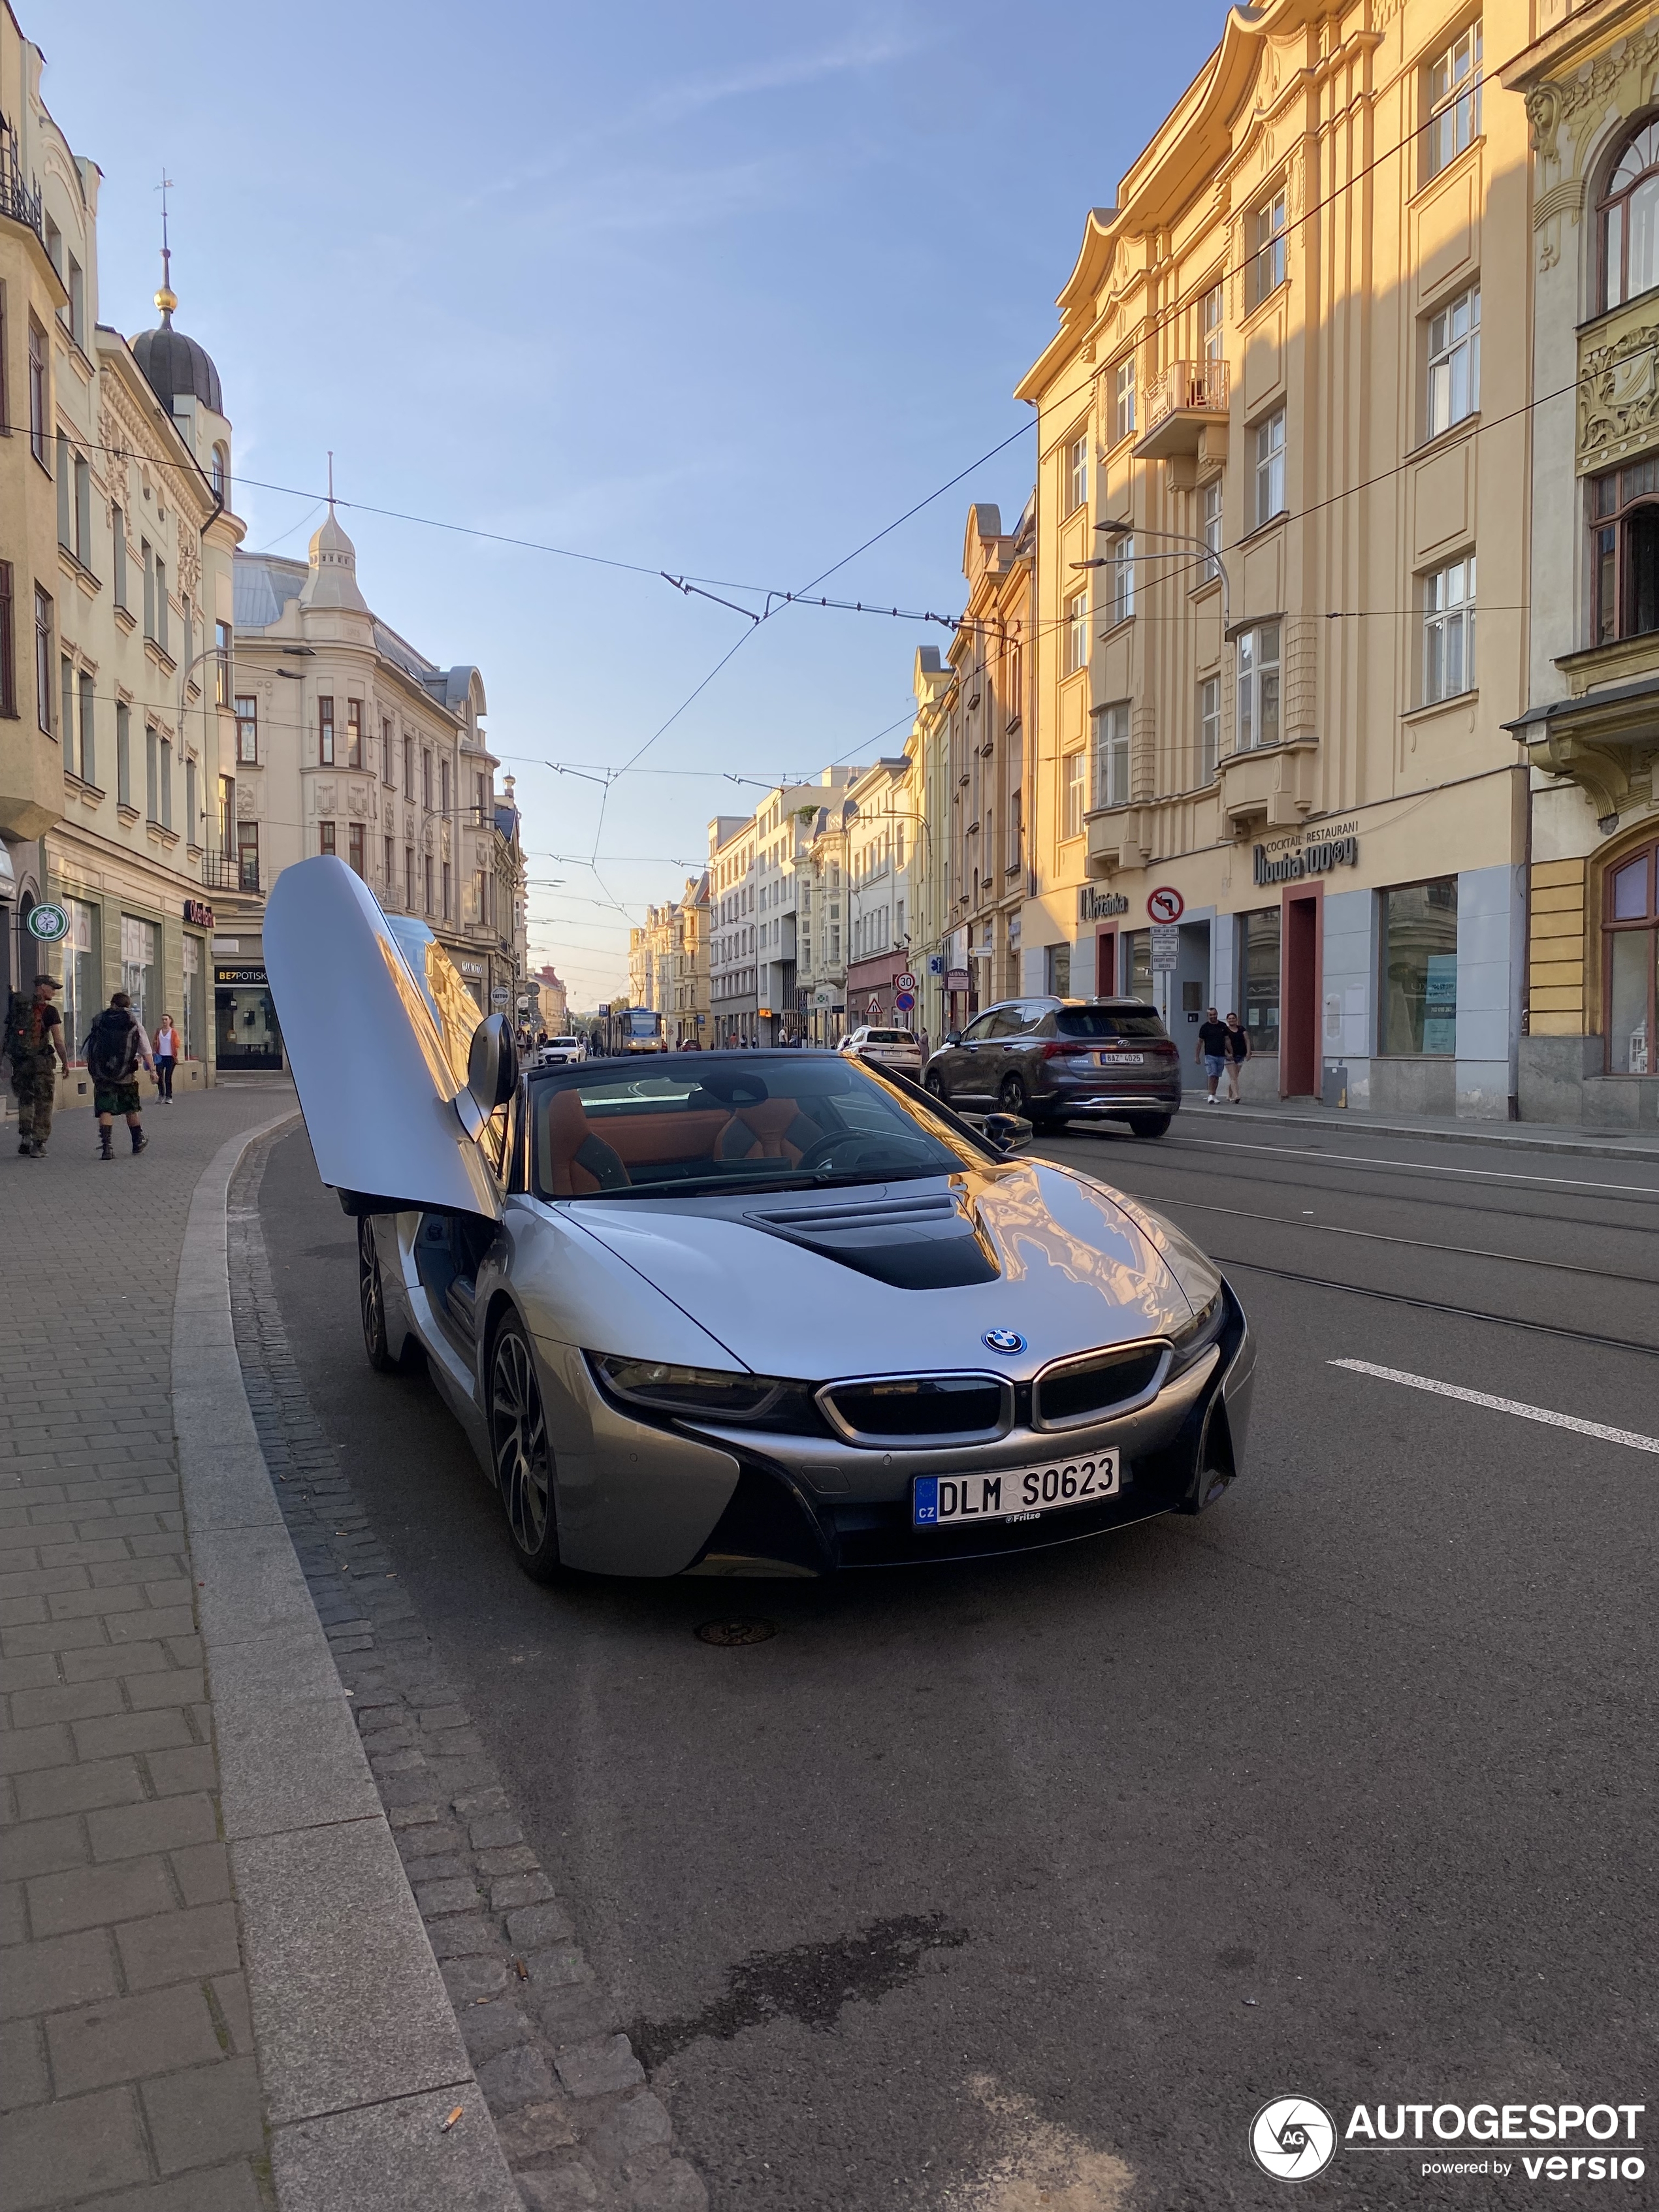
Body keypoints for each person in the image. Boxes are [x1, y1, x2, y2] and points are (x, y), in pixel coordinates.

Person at [4, 972, 70, 1159]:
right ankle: (38, 1144)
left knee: (25, 1100)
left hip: (21, 1063)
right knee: (44, 1102)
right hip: (41, 1064)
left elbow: (7, 1035)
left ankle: (25, 1139)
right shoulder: (50, 1011)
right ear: (41, 987)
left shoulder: (18, 1009)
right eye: (52, 988)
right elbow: (58, 1041)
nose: (55, 992)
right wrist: (65, 1062)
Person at [85, 991, 154, 1160]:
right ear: (128, 1006)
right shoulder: (133, 1022)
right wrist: (152, 1070)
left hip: (103, 1074)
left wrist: (94, 1070)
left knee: (105, 1109)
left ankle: (107, 1148)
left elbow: (89, 1049)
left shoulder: (100, 1020)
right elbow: (145, 1049)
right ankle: (137, 1141)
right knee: (131, 1108)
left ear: (112, 1004)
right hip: (126, 1073)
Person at [1195, 1005, 1230, 1104]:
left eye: (1214, 1014)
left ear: (1217, 1014)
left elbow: (1227, 1040)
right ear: (1208, 1016)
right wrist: (1197, 1056)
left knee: (1217, 1075)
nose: (1213, 1016)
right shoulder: (1205, 1027)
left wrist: (1230, 1052)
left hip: (1221, 1055)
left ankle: (1214, 1095)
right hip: (1210, 1055)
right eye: (1211, 1015)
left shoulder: (1223, 1026)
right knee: (1212, 1074)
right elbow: (1200, 1042)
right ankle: (1210, 1094)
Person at [1223, 1010, 1250, 1103]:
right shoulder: (1225, 1030)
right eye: (1230, 1019)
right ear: (1227, 1020)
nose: (1232, 1020)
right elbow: (1222, 1044)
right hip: (1230, 1057)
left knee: (1235, 1077)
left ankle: (1229, 1095)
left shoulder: (1241, 1029)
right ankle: (1236, 1095)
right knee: (1234, 1077)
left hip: (1240, 1055)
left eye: (1233, 1018)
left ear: (1236, 1019)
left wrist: (1248, 1052)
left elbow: (1247, 1041)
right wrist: (1227, 1053)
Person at [152, 1012, 180, 1103]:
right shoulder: (158, 1031)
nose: (164, 1021)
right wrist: (154, 1051)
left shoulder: (173, 1032)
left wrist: (175, 1050)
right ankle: (161, 1094)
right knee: (159, 1076)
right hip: (160, 1057)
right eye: (163, 1019)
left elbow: (177, 1044)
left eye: (166, 1019)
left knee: (168, 1078)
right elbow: (155, 1042)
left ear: (170, 1021)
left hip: (170, 1057)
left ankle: (169, 1097)